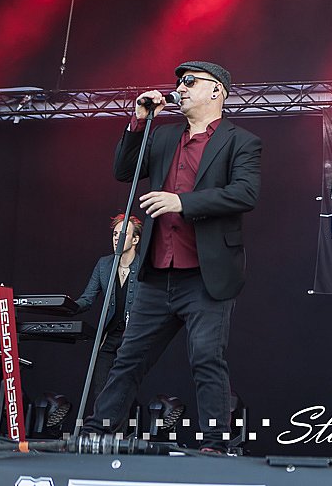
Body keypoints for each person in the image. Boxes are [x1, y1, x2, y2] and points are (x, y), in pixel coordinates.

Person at [83, 60, 262, 452]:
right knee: (129, 356)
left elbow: (245, 193)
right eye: (179, 82)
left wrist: (182, 202)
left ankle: (215, 443)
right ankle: (99, 430)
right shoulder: (163, 136)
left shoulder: (241, 141)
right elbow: (123, 170)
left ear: (216, 91)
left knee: (207, 359)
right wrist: (138, 121)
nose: (180, 88)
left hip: (206, 275)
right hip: (158, 271)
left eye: (190, 82)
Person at [75, 213, 143, 411]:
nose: (116, 238)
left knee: (123, 391)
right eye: (114, 234)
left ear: (135, 240)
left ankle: (125, 428)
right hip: (108, 338)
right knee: (101, 391)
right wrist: (66, 307)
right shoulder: (104, 265)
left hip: (132, 339)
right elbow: (87, 299)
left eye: (122, 234)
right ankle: (104, 429)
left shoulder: (143, 267)